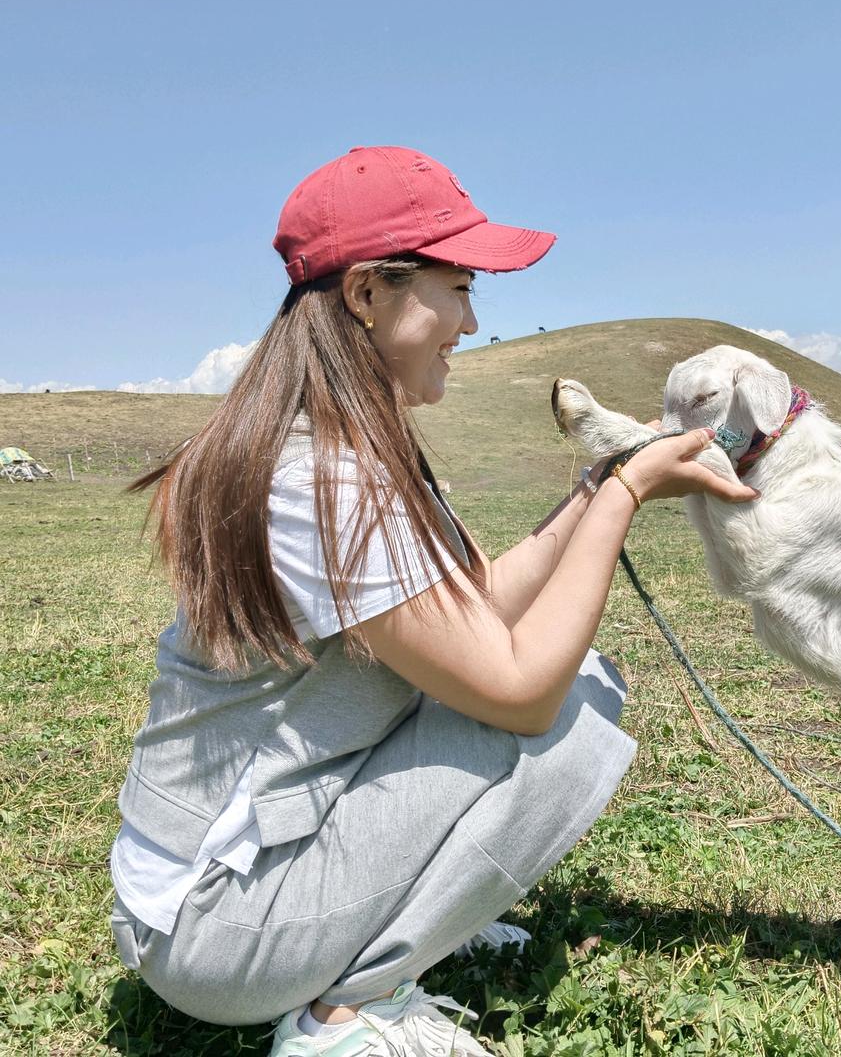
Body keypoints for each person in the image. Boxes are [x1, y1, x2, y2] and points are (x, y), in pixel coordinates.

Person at [109, 145, 756, 1057]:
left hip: (215, 890)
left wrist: (592, 484)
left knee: (579, 683)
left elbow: (467, 607)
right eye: (457, 286)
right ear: (370, 293)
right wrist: (624, 497)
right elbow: (520, 688)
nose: (472, 319)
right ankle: (350, 1011)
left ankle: (384, 923)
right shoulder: (323, 480)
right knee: (564, 717)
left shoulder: (331, 445)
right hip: (214, 929)